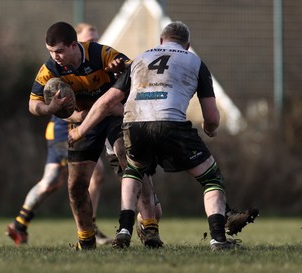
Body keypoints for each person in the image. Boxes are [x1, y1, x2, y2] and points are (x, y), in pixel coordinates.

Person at [68, 21, 256, 250]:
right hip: (171, 125)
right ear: (187, 45)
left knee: (134, 171)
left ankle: (124, 231)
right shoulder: (194, 61)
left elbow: (107, 101)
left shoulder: (140, 58)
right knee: (211, 179)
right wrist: (211, 128)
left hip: (135, 125)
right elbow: (212, 117)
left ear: (160, 41)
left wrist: (80, 130)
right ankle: (218, 238)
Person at [26, 21, 159, 250]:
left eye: (59, 51)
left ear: (74, 45)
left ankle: (150, 229)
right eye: (51, 52)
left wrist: (120, 67)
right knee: (76, 184)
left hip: (114, 115)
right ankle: (86, 240)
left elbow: (132, 68)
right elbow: (32, 104)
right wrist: (51, 109)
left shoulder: (101, 54)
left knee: (128, 159)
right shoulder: (50, 69)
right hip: (84, 120)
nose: (55, 56)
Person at [5, 22, 113, 246]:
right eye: (89, 39)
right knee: (95, 172)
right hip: (63, 128)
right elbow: (35, 104)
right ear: (76, 42)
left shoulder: (97, 60)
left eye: (96, 38)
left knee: (51, 181)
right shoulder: (58, 66)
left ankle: (19, 224)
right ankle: (89, 226)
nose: (94, 43)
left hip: (76, 126)